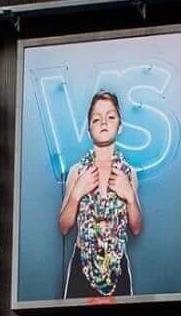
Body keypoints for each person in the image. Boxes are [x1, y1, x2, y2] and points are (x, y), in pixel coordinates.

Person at [57, 90, 144, 298]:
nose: (103, 122)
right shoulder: (78, 171)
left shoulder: (128, 172)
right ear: (89, 130)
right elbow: (63, 227)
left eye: (110, 117)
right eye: (97, 119)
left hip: (117, 265)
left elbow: (137, 228)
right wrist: (77, 193)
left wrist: (130, 196)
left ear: (119, 126)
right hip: (82, 264)